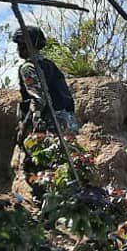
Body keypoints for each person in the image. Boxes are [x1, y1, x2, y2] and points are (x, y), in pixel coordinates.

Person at [9, 25, 79, 201]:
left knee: (36, 165)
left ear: (29, 46)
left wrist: (27, 125)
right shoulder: (50, 66)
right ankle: (64, 200)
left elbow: (39, 99)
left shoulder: (28, 68)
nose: (19, 49)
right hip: (67, 124)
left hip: (49, 124)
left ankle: (44, 203)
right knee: (63, 167)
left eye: (21, 45)